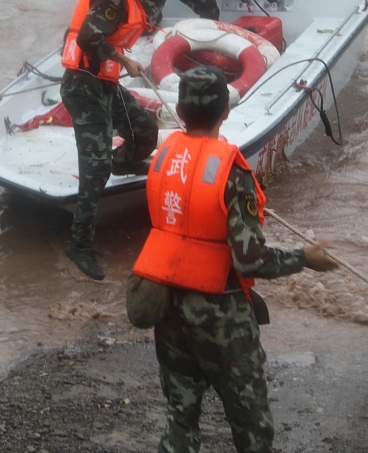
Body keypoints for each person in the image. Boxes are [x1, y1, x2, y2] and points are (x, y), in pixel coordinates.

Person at [132, 66, 338, 453]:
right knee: (251, 425)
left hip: (167, 305)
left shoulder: (163, 157)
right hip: (220, 313)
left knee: (181, 419)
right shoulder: (232, 171)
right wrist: (305, 258)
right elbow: (251, 260)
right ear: (225, 111)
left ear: (178, 107)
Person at [61, 0, 175, 281]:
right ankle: (79, 244)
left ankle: (121, 164)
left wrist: (118, 65)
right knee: (95, 168)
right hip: (83, 89)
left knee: (144, 130)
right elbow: (88, 37)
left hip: (105, 86)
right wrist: (125, 62)